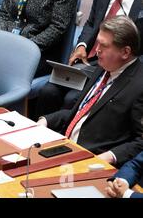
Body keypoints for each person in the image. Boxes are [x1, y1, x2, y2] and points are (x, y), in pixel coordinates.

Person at [36, 0, 143, 118]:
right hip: (89, 61)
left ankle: (69, 139)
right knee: (48, 92)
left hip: (117, 64)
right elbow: (92, 23)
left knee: (72, 99)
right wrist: (81, 46)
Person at [37, 16, 143, 167]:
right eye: (97, 43)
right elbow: (81, 113)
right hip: (64, 149)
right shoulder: (103, 67)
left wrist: (108, 157)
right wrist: (46, 121)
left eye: (104, 45)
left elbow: (140, 141)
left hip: (93, 163)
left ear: (125, 52)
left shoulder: (139, 86)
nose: (97, 50)